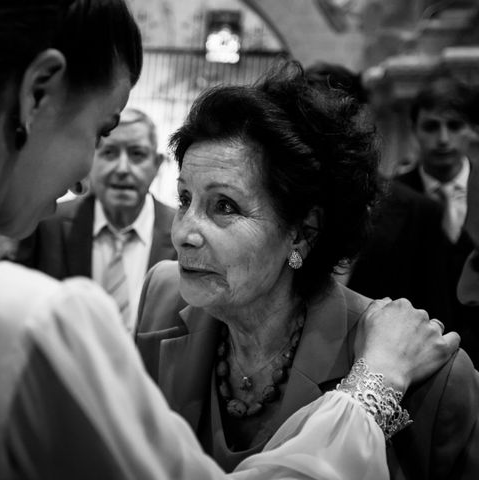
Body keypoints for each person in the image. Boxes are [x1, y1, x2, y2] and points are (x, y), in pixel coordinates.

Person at [0, 2, 460, 479]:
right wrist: (371, 391)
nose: (86, 173)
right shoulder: (27, 322)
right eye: (98, 129)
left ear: (303, 231)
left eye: (224, 207)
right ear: (37, 93)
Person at [135, 60, 479, 478]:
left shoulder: (435, 378)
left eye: (224, 205)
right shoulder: (163, 297)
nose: (184, 233)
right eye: (185, 198)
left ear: (302, 233)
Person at [305, 62, 452, 323]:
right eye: (307, 120)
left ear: (361, 118)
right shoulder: (286, 206)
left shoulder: (420, 211)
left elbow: (436, 313)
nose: (322, 133)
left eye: (333, 117)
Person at [21, 107, 176, 332]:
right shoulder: (47, 222)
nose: (123, 169)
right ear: (90, 161)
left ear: (157, 164)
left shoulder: (181, 233)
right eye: (110, 153)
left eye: (137, 154)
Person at [396, 75, 479, 362]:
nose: (443, 139)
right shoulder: (392, 199)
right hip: (415, 361)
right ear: (414, 131)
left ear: (472, 130)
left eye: (454, 126)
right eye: (432, 127)